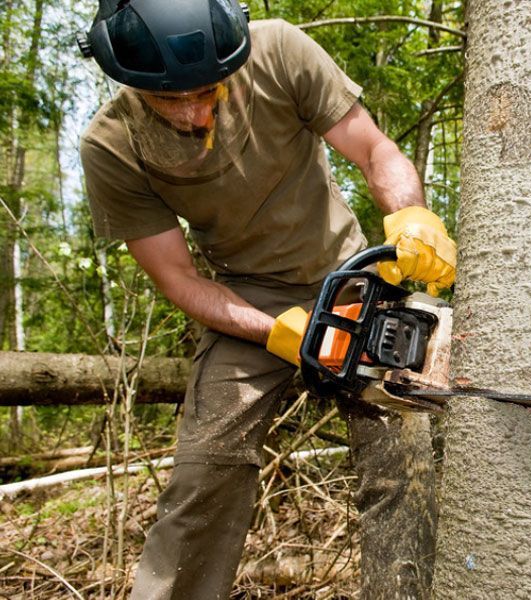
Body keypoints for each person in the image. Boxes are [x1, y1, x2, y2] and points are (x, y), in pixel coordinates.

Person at [77, 1, 454, 598]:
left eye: (206, 90)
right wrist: (274, 331)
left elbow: (376, 151)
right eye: (170, 99)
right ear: (126, 77)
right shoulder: (111, 146)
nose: (194, 111)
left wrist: (410, 215)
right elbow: (178, 280)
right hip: (241, 298)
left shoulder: (277, 51)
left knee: (400, 467)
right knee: (207, 470)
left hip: (350, 276)